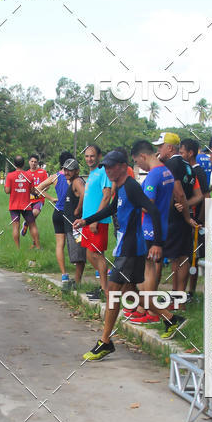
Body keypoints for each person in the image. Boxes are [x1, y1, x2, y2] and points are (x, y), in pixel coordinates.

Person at [73, 149, 163, 360]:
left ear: (123, 166)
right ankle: (169, 317)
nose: (109, 170)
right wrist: (87, 220)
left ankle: (105, 341)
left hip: (132, 249)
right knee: (131, 293)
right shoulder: (121, 188)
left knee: (113, 292)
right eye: (106, 167)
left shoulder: (131, 186)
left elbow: (154, 210)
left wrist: (157, 243)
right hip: (125, 247)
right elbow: (111, 209)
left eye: (112, 166)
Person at [154, 132, 200, 340]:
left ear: (170, 148)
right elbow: (196, 194)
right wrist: (188, 212)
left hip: (174, 219)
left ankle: (177, 302)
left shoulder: (173, 165)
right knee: (179, 259)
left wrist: (185, 215)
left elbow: (179, 192)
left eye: (161, 146)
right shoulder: (188, 166)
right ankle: (177, 298)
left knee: (179, 260)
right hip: (181, 219)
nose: (158, 150)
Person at [126, 140, 174, 324]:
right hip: (161, 224)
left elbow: (148, 205)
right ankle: (145, 307)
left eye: (137, 162)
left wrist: (136, 204)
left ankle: (150, 309)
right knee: (151, 268)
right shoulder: (167, 172)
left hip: (149, 229)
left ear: (143, 156)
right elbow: (169, 202)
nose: (138, 165)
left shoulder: (154, 175)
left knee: (147, 269)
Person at [35, 151, 74, 289]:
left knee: (60, 244)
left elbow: (38, 188)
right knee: (80, 242)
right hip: (71, 214)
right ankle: (92, 270)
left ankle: (64, 274)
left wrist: (51, 198)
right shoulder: (74, 177)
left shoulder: (55, 176)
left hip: (57, 213)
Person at [180, 137, 210, 299]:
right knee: (189, 255)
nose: (180, 155)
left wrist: (201, 219)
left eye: (182, 152)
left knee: (194, 257)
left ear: (190, 153)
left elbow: (206, 196)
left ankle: (191, 291)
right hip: (189, 220)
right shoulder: (187, 170)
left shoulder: (197, 171)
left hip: (196, 222)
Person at [81, 144, 112, 300]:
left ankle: (106, 289)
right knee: (89, 254)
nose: (89, 159)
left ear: (99, 156)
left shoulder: (103, 173)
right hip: (87, 222)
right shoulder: (92, 174)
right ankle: (105, 284)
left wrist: (96, 219)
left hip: (97, 222)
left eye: (92, 156)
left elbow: (107, 196)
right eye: (87, 156)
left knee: (98, 255)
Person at [4, 156, 40, 249]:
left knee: (15, 227)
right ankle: (38, 247)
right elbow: (32, 191)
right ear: (24, 164)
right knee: (32, 225)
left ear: (14, 164)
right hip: (26, 205)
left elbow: (7, 191)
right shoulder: (29, 176)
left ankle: (17, 249)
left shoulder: (10, 176)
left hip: (14, 206)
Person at [61, 158, 87, 286]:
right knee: (77, 254)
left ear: (76, 171)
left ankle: (77, 282)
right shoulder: (73, 182)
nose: (66, 172)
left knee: (79, 255)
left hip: (76, 226)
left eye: (70, 170)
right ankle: (77, 281)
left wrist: (77, 209)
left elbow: (84, 193)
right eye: (65, 169)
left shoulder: (77, 181)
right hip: (71, 225)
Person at [21, 154, 47, 238]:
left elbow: (48, 185)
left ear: (37, 163)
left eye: (35, 162)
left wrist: (41, 190)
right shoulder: (25, 174)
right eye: (32, 161)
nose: (33, 163)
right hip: (28, 201)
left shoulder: (42, 172)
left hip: (39, 200)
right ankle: (35, 243)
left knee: (34, 213)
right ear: (29, 162)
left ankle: (26, 223)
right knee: (32, 222)